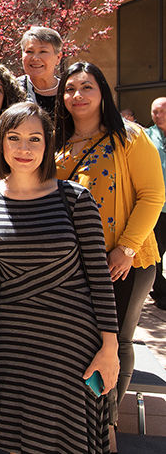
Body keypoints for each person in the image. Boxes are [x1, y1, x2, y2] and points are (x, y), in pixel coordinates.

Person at [0, 102, 119, 454]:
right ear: (1, 143)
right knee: (17, 432)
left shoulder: (75, 198)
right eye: (14, 138)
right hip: (13, 335)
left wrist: (109, 349)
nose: (24, 149)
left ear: (48, 144)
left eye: (35, 139)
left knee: (67, 433)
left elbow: (99, 278)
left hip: (71, 337)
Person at [54, 62, 164, 450]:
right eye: (70, 89)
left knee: (116, 341)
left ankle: (109, 428)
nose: (78, 95)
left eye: (87, 87)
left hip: (124, 262)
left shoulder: (128, 136)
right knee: (86, 343)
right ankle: (84, 420)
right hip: (73, 266)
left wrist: (127, 247)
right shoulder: (59, 143)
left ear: (103, 92)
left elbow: (154, 195)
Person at [146, 96, 166, 309]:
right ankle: (161, 293)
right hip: (157, 208)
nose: (158, 116)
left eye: (162, 111)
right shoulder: (147, 136)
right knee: (157, 253)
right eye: (155, 112)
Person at [19, 26, 63, 116]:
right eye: (29, 51)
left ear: (58, 57)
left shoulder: (68, 91)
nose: (35, 58)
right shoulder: (13, 89)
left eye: (43, 51)